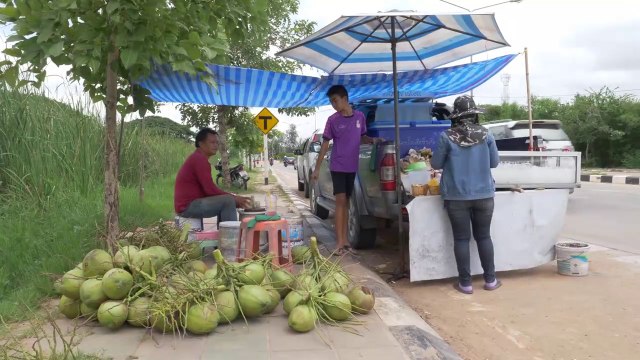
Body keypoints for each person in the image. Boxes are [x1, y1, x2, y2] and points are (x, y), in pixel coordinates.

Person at [431, 95, 501, 294]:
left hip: (456, 197)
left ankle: (466, 284)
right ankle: (490, 280)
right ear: (474, 115)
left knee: (461, 239)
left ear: (456, 116)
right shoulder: (487, 135)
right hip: (484, 196)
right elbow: (494, 163)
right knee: (484, 237)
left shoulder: (447, 136)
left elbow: (436, 164)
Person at [311, 85, 381, 255]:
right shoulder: (332, 120)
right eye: (331, 102)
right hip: (338, 166)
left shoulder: (360, 117)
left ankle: (346, 242)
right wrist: (317, 169)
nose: (334, 104)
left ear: (345, 98)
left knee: (347, 203)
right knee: (341, 202)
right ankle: (339, 244)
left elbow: (362, 137)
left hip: (352, 167)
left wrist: (373, 140)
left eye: (335, 100)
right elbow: (325, 144)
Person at [174, 128, 251, 222]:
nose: (216, 145)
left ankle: (224, 233)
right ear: (201, 143)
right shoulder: (199, 159)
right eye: (212, 142)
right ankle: (231, 235)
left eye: (217, 143)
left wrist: (233, 196)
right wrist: (234, 197)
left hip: (190, 204)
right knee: (228, 201)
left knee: (227, 199)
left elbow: (209, 190)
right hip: (187, 207)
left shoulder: (198, 158)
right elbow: (210, 190)